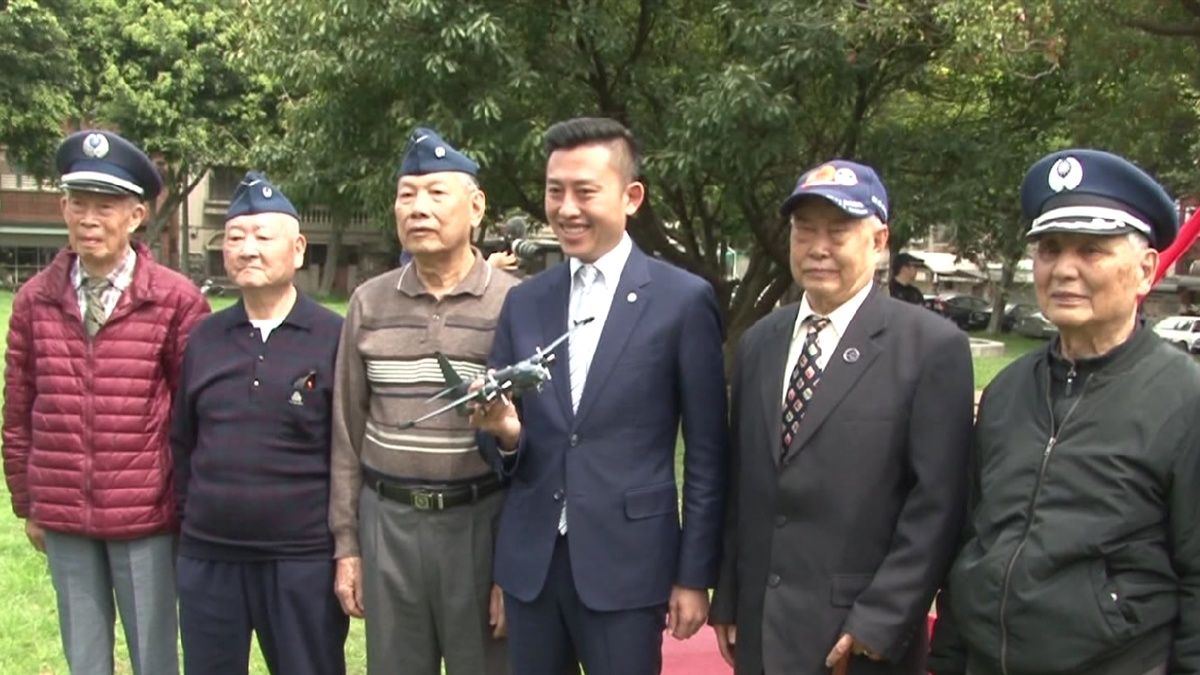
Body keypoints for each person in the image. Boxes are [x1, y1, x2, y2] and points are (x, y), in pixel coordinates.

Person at [471, 117, 729, 675]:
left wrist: (693, 574)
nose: (566, 208)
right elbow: (500, 440)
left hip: (629, 562)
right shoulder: (526, 302)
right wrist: (507, 436)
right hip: (532, 562)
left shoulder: (682, 301)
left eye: (585, 191)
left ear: (630, 196)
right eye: (554, 191)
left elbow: (707, 453)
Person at [929, 149, 1198, 675]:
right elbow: (975, 539)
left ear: (1145, 270)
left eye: (1091, 251)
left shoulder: (1183, 398)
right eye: (1049, 249)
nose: (1063, 270)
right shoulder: (1009, 390)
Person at [709, 159, 975, 674]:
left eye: (838, 231)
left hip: (860, 640)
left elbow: (938, 505)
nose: (818, 248)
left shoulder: (930, 348)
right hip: (761, 630)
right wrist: (731, 597)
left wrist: (880, 620)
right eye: (804, 230)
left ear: (879, 241)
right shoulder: (761, 342)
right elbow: (743, 481)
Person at [2, 129, 210, 675]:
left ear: (136, 216)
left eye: (106, 206)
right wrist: (30, 502)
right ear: (63, 208)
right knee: (84, 657)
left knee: (154, 655)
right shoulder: (34, 300)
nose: (89, 220)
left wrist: (185, 506)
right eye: (78, 204)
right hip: (64, 509)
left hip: (146, 513)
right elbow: (19, 406)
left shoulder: (176, 300)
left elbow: (196, 418)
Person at [329, 127, 518, 675]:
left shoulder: (517, 303)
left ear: (476, 206)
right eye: (407, 194)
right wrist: (348, 545)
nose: (418, 208)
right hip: (387, 523)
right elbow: (346, 431)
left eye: (436, 193)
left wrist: (513, 566)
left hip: (480, 524)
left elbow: (538, 445)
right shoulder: (369, 302)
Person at [171, 172, 348, 674]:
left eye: (262, 237)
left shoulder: (334, 336)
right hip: (210, 558)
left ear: (297, 249)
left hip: (302, 561)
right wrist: (192, 526)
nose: (247, 249)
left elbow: (349, 450)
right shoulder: (205, 337)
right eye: (235, 238)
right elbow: (182, 441)